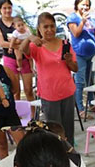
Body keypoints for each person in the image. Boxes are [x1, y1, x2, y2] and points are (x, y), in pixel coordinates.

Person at [21, 13, 78, 145]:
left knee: (68, 128)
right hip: (49, 94)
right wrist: (29, 38)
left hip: (67, 91)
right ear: (39, 29)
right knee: (54, 130)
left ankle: (70, 153)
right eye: (45, 27)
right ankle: (57, 155)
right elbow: (22, 49)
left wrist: (69, 61)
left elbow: (75, 68)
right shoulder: (37, 46)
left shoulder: (65, 43)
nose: (49, 30)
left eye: (52, 26)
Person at [67, 0, 95, 117]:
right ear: (77, 5)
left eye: (87, 5)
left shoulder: (92, 19)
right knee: (80, 82)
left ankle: (91, 104)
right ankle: (80, 108)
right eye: (83, 4)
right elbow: (76, 33)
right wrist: (83, 21)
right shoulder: (73, 18)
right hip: (79, 54)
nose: (85, 7)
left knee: (90, 80)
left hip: (92, 54)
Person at [0, 0, 34, 102]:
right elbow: (2, 43)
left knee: (28, 90)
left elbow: (29, 36)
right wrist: (19, 44)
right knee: (15, 91)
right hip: (10, 58)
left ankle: (33, 116)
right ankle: (18, 115)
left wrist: (16, 43)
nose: (7, 11)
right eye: (4, 8)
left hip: (24, 57)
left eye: (9, 7)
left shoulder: (18, 21)